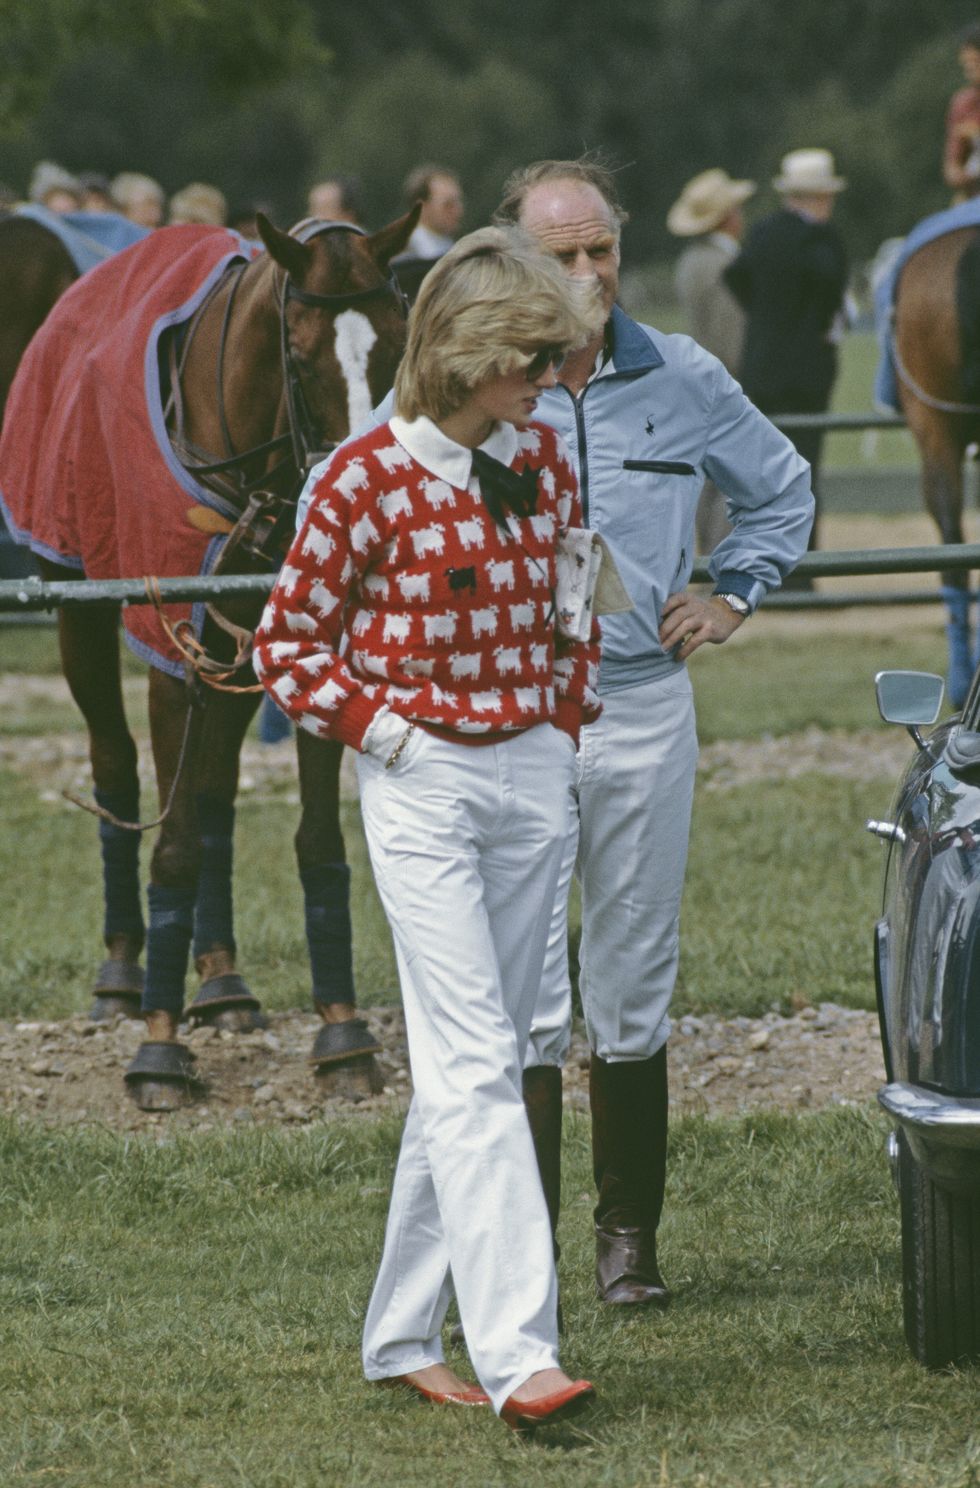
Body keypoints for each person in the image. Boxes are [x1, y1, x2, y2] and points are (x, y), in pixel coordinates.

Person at [253, 226, 602, 1427]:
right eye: (529, 358)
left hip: (531, 776)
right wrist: (392, 737)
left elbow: (571, 593)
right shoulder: (357, 478)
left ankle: (402, 1331)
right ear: (461, 354)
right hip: (422, 786)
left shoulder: (543, 455)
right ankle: (519, 1355)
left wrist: (561, 716)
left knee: (485, 1063)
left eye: (554, 358)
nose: (547, 380)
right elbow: (285, 643)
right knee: (470, 1066)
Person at [487, 158, 814, 1311]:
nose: (585, 273)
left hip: (639, 705)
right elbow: (376, 484)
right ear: (514, 256)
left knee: (631, 973)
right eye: (560, 253)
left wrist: (732, 589)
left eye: (600, 251)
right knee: (519, 983)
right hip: (511, 717)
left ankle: (628, 1238)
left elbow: (780, 488)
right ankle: (514, 1249)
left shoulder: (680, 374)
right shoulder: (469, 383)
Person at [723, 148, 848, 554]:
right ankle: (803, 567)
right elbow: (833, 293)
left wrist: (765, 321)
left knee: (767, 470)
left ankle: (763, 557)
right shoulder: (823, 241)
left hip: (761, 367)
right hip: (808, 372)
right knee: (805, 468)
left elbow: (735, 276)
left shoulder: (761, 233)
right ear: (819, 197)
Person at [667, 167, 756, 552]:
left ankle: (705, 557)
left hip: (696, 378)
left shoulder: (692, 261)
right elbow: (730, 337)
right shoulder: (723, 266)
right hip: (723, 379)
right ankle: (720, 560)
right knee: (727, 476)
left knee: (706, 477)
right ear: (728, 217)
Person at [944, 23, 980, 200]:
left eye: (975, 64)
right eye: (967, 65)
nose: (969, 71)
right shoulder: (963, 104)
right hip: (973, 198)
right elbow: (952, 168)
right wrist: (967, 176)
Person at [402, 163, 464, 258]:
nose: (458, 211)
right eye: (448, 205)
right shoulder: (405, 254)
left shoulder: (450, 247)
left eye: (458, 203)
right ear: (421, 208)